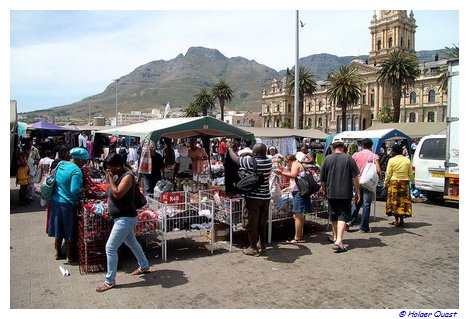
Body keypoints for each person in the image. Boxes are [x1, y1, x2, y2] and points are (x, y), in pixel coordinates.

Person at [96, 154, 150, 292]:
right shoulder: (117, 175)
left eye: (110, 169)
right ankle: (144, 265)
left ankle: (109, 281)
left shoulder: (127, 176)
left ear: (118, 165)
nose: (109, 171)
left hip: (126, 218)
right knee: (131, 242)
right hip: (121, 217)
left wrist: (109, 179)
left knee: (110, 247)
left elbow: (118, 193)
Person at [226, 141, 272, 256]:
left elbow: (236, 159)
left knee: (251, 223)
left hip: (253, 198)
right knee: (262, 223)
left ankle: (252, 248)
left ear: (255, 153)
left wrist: (229, 148)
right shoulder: (268, 162)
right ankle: (263, 245)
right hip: (265, 197)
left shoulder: (250, 162)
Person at [320, 138, 360, 253]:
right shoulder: (348, 158)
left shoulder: (327, 159)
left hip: (331, 192)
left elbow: (322, 179)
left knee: (333, 215)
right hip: (345, 192)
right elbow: (355, 177)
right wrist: (357, 191)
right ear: (343, 147)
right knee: (342, 215)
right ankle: (339, 240)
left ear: (332, 147)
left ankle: (336, 237)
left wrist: (324, 189)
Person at [47, 147, 88, 261]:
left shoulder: (61, 164)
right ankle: (70, 256)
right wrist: (84, 189)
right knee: (70, 230)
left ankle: (58, 253)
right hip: (68, 204)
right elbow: (74, 190)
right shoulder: (76, 170)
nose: (84, 164)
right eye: (84, 161)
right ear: (79, 160)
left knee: (58, 228)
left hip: (56, 201)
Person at [346, 138, 381, 233]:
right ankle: (364, 227)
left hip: (357, 181)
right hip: (367, 183)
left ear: (362, 146)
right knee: (366, 204)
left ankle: (349, 221)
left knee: (357, 201)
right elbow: (378, 170)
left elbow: (350, 168)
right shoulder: (374, 156)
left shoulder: (355, 155)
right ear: (371, 146)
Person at [275, 154, 311, 244]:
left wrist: (281, 173)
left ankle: (297, 237)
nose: (286, 164)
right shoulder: (297, 164)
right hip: (298, 191)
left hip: (299, 192)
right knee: (298, 215)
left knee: (297, 215)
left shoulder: (295, 164)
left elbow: (293, 175)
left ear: (289, 160)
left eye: (286, 162)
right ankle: (299, 235)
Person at [384, 143, 415, 227]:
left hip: (394, 183)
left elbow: (388, 174)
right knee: (403, 202)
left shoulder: (391, 160)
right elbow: (410, 174)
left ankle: (396, 220)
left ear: (394, 152)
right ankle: (401, 220)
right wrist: (413, 182)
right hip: (404, 183)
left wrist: (385, 183)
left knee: (395, 201)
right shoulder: (407, 160)